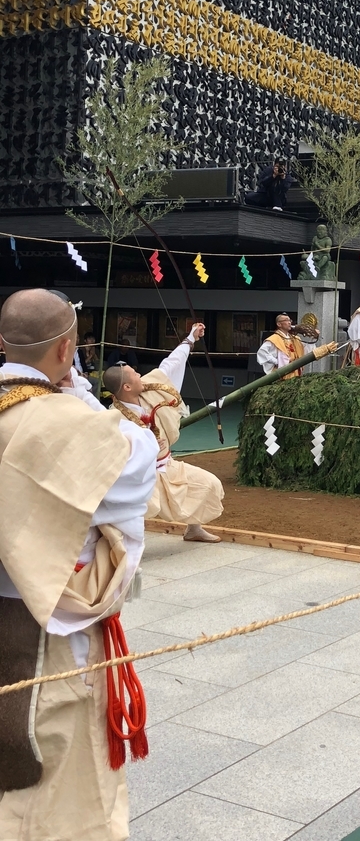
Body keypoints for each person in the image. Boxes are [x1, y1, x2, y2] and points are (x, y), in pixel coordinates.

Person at [0, 288, 158, 841]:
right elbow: (139, 469)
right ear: (68, 350)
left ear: (3, 343)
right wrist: (85, 400)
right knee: (63, 769)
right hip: (46, 627)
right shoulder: (64, 419)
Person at [102, 323, 224, 544]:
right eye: (135, 375)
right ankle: (114, 543)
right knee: (140, 506)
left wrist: (190, 338)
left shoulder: (151, 388)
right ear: (127, 388)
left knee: (209, 483)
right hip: (140, 476)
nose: (140, 375)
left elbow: (171, 364)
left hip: (168, 465)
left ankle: (193, 529)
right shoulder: (114, 419)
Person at [257, 313, 307, 378]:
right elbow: (262, 352)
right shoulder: (274, 339)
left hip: (295, 371)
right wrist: (278, 362)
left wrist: (312, 337)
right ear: (279, 324)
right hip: (281, 372)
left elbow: (304, 350)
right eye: (286, 320)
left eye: (290, 320)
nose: (289, 322)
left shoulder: (295, 338)